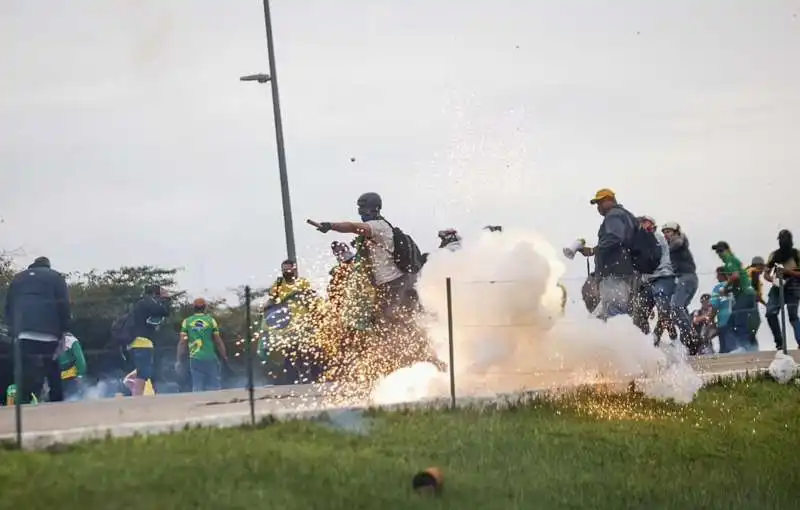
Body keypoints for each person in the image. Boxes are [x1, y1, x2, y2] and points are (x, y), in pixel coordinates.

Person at [313, 192, 421, 324]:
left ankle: (408, 340)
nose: (360, 212)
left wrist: (330, 226)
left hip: (394, 282)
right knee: (379, 319)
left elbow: (353, 227)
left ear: (374, 208)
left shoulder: (377, 225)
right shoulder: (377, 228)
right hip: (387, 283)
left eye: (363, 208)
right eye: (359, 208)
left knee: (387, 320)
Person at [4, 256, 70, 404]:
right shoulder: (56, 277)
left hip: (23, 333)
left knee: (25, 372)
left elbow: (9, 305)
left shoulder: (18, 279)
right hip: (49, 333)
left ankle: (23, 404)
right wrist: (64, 330)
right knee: (52, 369)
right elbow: (63, 305)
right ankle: (57, 404)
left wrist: (12, 329)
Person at [578, 189, 639, 321]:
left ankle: (619, 340)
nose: (598, 207)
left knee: (615, 311)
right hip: (627, 270)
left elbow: (614, 237)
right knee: (610, 312)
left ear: (610, 200)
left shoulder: (613, 215)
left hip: (615, 271)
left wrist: (593, 250)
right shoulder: (627, 215)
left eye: (600, 202)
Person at [635, 216, 675, 345]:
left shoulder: (656, 237)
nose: (639, 226)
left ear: (650, 224)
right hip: (649, 281)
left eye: (642, 223)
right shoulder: (643, 239)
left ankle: (658, 340)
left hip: (663, 277)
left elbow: (653, 258)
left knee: (663, 311)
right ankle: (646, 343)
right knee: (639, 313)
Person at [711, 242, 758, 352]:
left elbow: (735, 276)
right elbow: (738, 280)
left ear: (727, 250)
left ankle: (744, 347)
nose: (719, 254)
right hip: (743, 293)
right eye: (718, 252)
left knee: (739, 319)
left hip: (745, 293)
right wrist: (728, 289)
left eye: (721, 251)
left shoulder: (730, 260)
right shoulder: (731, 260)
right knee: (730, 322)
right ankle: (742, 346)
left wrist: (725, 288)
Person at [127, 284, 171, 396]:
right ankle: (137, 396)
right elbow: (164, 311)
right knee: (143, 372)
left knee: (146, 370)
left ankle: (132, 384)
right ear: (155, 294)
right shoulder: (146, 302)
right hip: (142, 342)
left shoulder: (142, 304)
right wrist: (166, 299)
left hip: (141, 342)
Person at [177, 298, 228, 392]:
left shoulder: (187, 322)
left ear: (193, 308)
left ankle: (198, 404)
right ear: (205, 308)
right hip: (210, 357)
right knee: (214, 385)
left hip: (195, 358)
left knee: (197, 385)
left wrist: (179, 358)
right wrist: (224, 355)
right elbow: (218, 340)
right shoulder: (211, 321)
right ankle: (216, 404)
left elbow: (182, 342)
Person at [661, 221, 698, 345]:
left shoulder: (677, 241)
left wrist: (664, 247)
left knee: (676, 307)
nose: (666, 234)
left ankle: (691, 335)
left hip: (686, 277)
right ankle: (688, 338)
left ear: (676, 232)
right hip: (684, 278)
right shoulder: (672, 243)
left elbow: (678, 242)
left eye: (668, 231)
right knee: (679, 309)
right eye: (664, 232)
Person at [763, 229, 800, 350]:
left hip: (793, 286)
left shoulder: (796, 254)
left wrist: (787, 272)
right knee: (770, 313)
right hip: (778, 286)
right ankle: (779, 342)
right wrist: (774, 281)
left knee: (793, 316)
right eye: (781, 239)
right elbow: (766, 274)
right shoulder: (774, 255)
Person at [710, 267, 733, 353]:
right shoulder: (735, 287)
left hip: (724, 322)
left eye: (718, 275)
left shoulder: (718, 288)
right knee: (735, 349)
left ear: (722, 274)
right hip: (736, 321)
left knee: (725, 351)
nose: (717, 277)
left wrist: (711, 321)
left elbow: (714, 306)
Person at [58, 332, 87, 400]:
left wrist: (80, 375)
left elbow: (80, 359)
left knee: (72, 398)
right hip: (57, 375)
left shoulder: (71, 341)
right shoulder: (50, 340)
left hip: (72, 376)